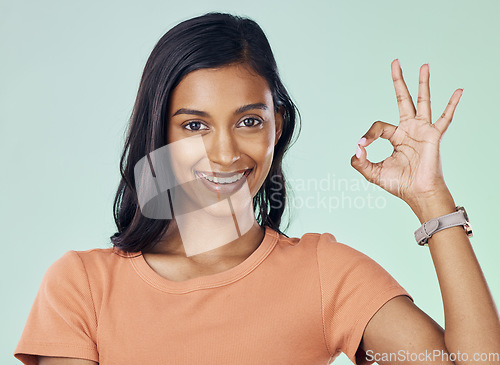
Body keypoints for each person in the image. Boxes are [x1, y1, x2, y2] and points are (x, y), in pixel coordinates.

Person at [14, 11, 500, 365]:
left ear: (277, 125)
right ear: (158, 132)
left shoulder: (323, 272)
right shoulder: (81, 285)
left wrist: (430, 196)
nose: (225, 154)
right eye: (195, 125)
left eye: (249, 120)